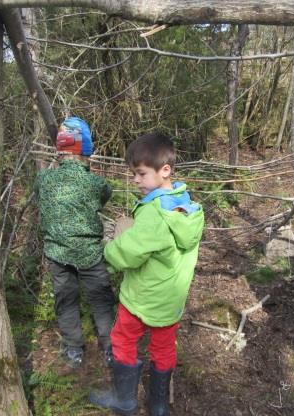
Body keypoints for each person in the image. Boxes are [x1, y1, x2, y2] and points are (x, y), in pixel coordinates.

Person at [89, 133, 205, 416]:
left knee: (123, 339)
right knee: (163, 348)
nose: (137, 181)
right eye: (134, 174)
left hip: (142, 298)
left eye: (141, 174)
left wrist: (109, 249)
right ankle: (159, 405)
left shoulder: (154, 213)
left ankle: (125, 401)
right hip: (170, 300)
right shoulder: (184, 203)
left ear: (165, 170)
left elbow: (127, 252)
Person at [34, 116, 116, 369]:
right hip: (90, 251)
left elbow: (42, 202)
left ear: (60, 149)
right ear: (86, 149)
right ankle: (110, 347)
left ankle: (73, 349)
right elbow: (103, 199)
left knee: (65, 298)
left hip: (57, 251)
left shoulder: (43, 180)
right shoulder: (96, 183)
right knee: (101, 298)